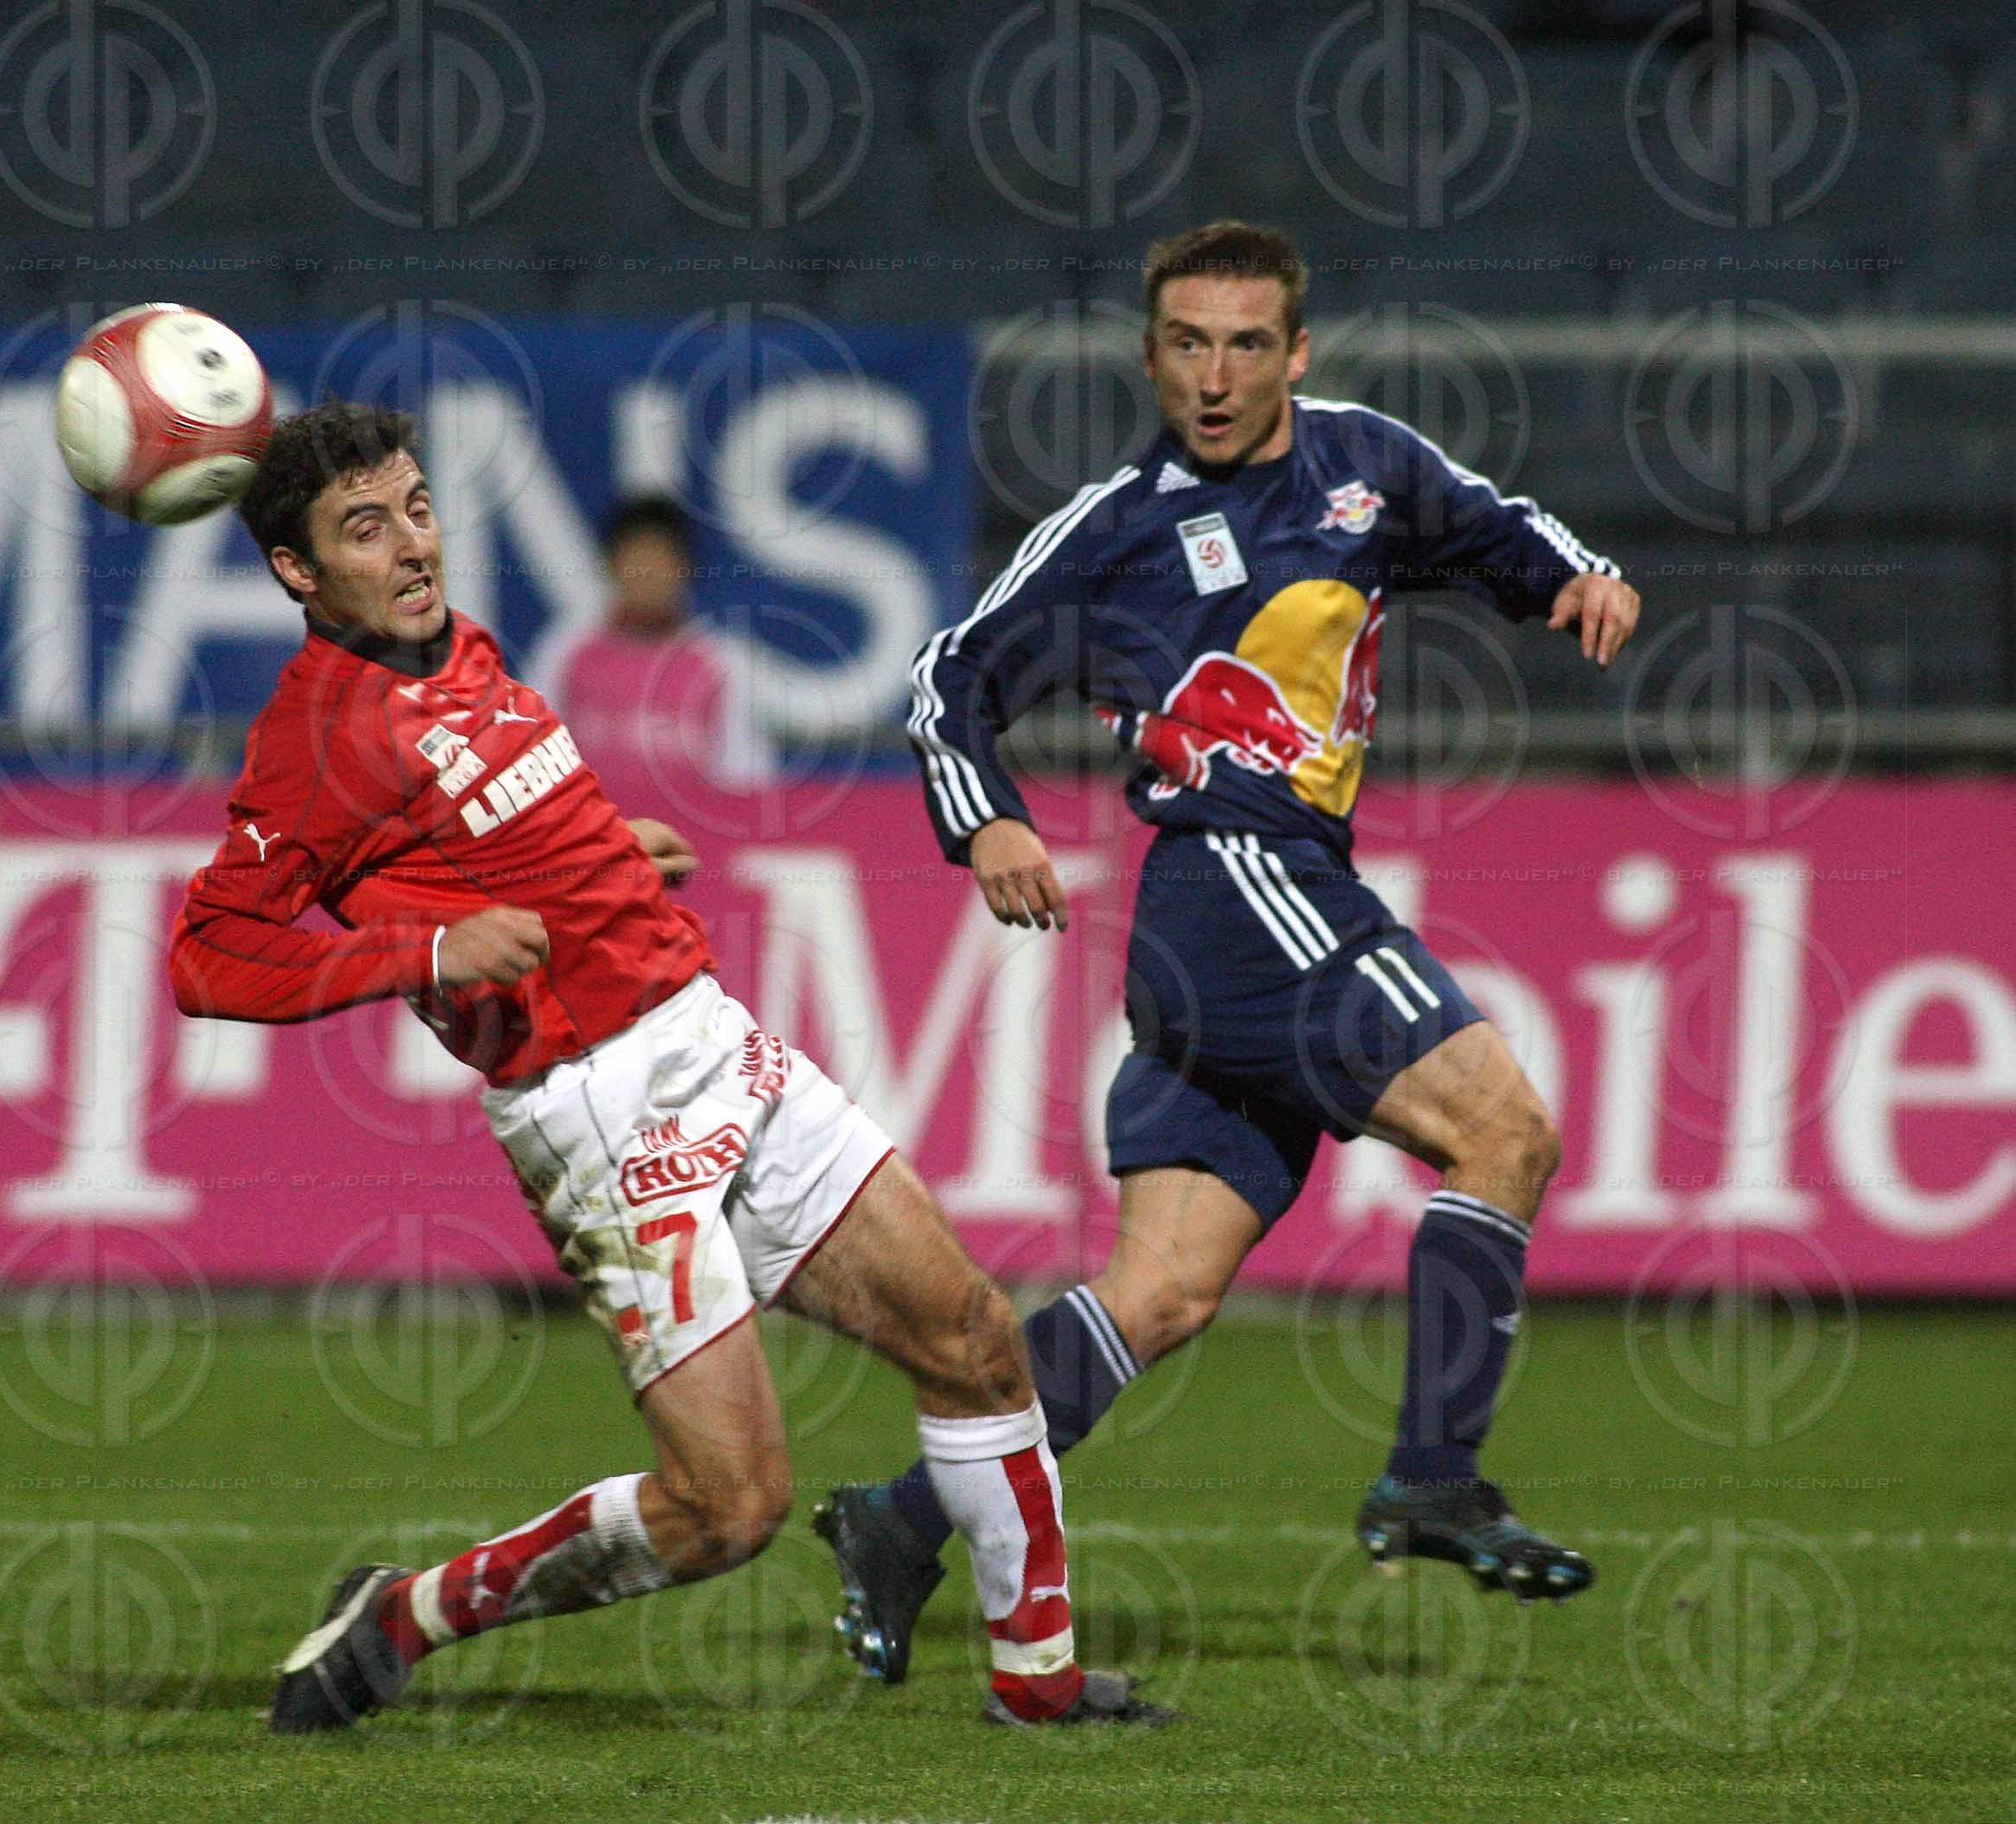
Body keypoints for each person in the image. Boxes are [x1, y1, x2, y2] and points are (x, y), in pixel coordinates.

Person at [167, 402, 1170, 1731]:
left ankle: (1037, 1684)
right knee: (728, 1509)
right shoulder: (316, 740)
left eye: (415, 506)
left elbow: (496, 814)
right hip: (596, 1110)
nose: (412, 545)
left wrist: (609, 854)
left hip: (709, 1036)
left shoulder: (456, 643)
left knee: (975, 1336)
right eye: (365, 529)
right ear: (297, 572)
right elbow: (207, 956)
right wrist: (420, 950)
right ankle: (411, 1611)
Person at [814, 220, 1641, 1683]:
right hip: (1234, 878)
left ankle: (896, 1520)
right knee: (1505, 1128)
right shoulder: (1115, 526)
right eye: (1186, 342)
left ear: (1296, 353)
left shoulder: (1362, 464)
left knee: (1161, 1294)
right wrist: (986, 819)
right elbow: (948, 674)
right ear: (1148, 356)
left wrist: (1578, 575)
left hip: (1242, 918)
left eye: (1245, 342)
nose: (1214, 372)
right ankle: (1434, 1476)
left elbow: (1495, 531)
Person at [543, 494, 776, 798]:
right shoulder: (565, 652)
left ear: (685, 568)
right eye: (637, 558)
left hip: (689, 842)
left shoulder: (720, 663)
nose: (648, 573)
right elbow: (532, 760)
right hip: (585, 839)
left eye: (660, 559)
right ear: (611, 565)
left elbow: (746, 777)